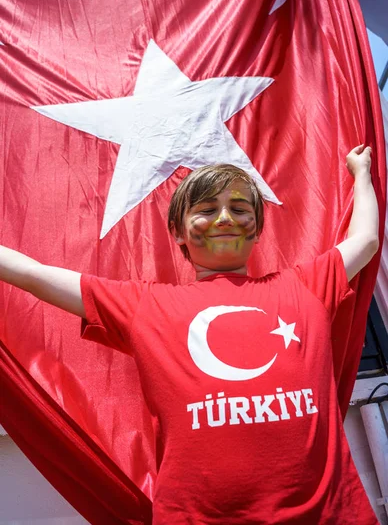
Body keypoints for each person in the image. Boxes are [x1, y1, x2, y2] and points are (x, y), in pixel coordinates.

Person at [0, 144, 380, 524]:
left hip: (332, 516)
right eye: (206, 210)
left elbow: (365, 240)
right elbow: (34, 275)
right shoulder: (143, 305)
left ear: (259, 229)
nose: (225, 218)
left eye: (240, 209)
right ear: (178, 233)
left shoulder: (308, 284)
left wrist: (361, 173)